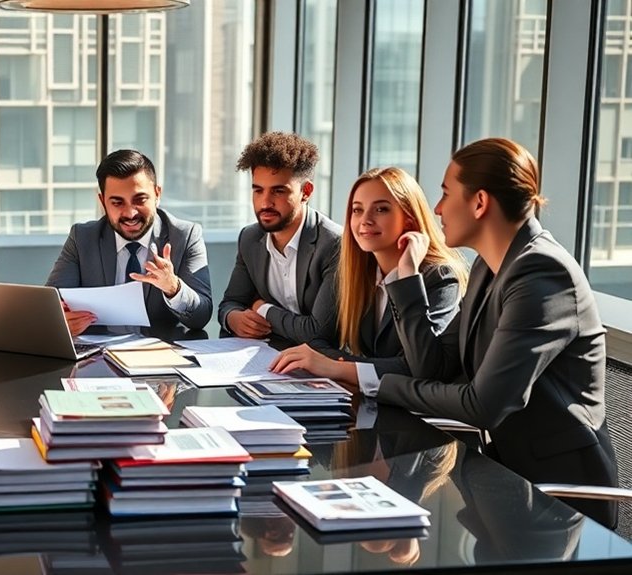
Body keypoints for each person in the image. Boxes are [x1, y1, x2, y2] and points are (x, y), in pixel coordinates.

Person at [375, 137, 618, 528]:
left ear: (480, 202)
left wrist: (380, 386)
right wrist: (406, 277)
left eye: (445, 193)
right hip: (501, 482)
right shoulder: (491, 268)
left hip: (558, 503)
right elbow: (432, 366)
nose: (436, 209)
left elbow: (484, 404)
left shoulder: (541, 273)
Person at [270, 167, 468, 390]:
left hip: (420, 415)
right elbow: (319, 340)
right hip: (375, 400)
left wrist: (335, 367)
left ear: (410, 220)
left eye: (381, 209)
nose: (365, 220)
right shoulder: (356, 272)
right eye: (357, 210)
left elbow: (422, 369)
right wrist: (335, 363)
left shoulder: (440, 277)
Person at [47, 149, 212, 335]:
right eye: (117, 203)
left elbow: (202, 316)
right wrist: (60, 321)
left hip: (159, 356)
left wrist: (173, 287)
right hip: (100, 356)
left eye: (139, 199)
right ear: (102, 202)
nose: (130, 213)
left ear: (157, 194)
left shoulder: (185, 235)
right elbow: (51, 304)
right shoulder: (82, 238)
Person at [218, 132, 342, 343]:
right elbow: (230, 303)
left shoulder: (333, 244)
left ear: (306, 191)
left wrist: (262, 308)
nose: (265, 202)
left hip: (321, 365)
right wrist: (233, 318)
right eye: (258, 191)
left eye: (278, 191)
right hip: (265, 358)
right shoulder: (250, 237)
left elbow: (318, 333)